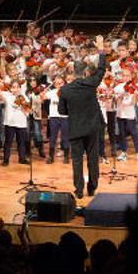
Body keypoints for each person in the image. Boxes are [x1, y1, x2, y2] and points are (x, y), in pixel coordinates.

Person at [58, 35, 107, 199]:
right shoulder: (91, 84)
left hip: (75, 129)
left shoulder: (65, 90)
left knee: (77, 161)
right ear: (85, 72)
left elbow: (62, 111)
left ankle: (79, 191)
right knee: (93, 159)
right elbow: (101, 69)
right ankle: (92, 188)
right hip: (92, 128)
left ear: (73, 72)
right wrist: (100, 48)